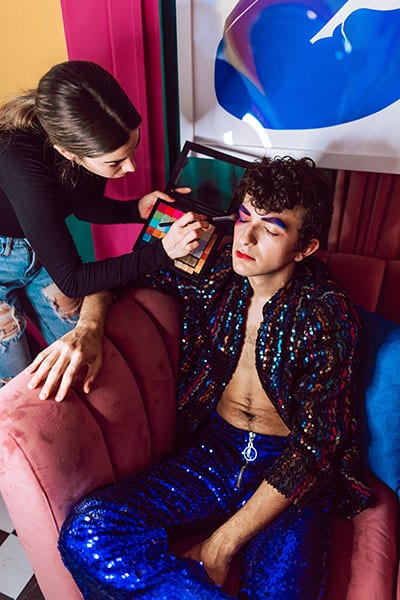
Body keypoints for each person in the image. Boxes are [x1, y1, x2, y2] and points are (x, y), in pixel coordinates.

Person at [57, 156, 374, 599]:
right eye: (244, 216)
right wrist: (89, 327)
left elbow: (319, 445)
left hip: (286, 473)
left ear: (305, 249)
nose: (246, 237)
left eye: (272, 227)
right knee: (86, 529)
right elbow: (115, 276)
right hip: (213, 452)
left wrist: (219, 547)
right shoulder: (215, 268)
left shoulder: (327, 314)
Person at [0, 60, 207, 390]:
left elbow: (81, 203)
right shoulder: (19, 162)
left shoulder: (80, 141)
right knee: (20, 387)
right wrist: (163, 251)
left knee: (80, 362)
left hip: (36, 249)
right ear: (66, 151)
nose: (131, 168)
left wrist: (134, 210)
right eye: (115, 162)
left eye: (132, 149)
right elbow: (73, 279)